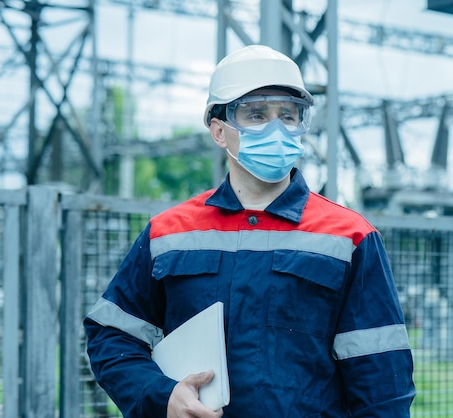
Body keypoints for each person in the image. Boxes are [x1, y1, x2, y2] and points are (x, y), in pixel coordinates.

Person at [84, 44, 415, 418]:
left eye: (288, 115)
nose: (276, 128)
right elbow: (112, 337)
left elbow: (382, 383)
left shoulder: (350, 237)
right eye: (256, 114)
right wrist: (163, 397)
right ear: (219, 131)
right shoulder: (168, 233)